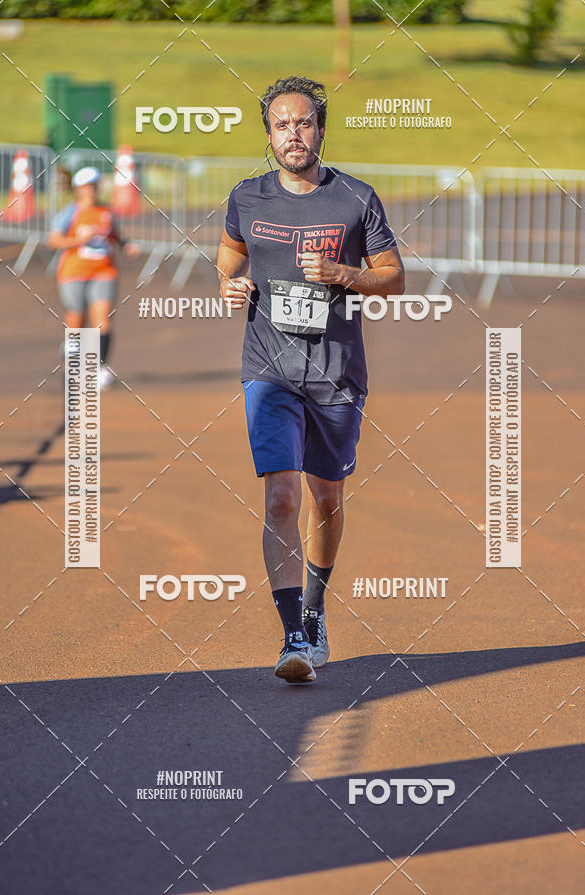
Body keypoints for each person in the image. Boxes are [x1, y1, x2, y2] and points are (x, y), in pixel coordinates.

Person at [217, 76, 405, 684]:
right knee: (281, 497)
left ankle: (317, 611)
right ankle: (293, 634)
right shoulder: (247, 198)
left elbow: (395, 278)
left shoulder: (355, 198)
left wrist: (342, 273)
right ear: (268, 134)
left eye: (303, 124)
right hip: (269, 368)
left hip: (336, 372)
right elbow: (229, 255)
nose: (292, 135)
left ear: (320, 130)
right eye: (281, 125)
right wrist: (231, 282)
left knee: (326, 498)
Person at [49, 166, 139, 388]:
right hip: (74, 272)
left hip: (103, 271)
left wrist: (126, 245)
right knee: (76, 320)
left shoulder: (106, 212)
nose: (91, 190)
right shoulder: (69, 213)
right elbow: (54, 241)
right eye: (87, 186)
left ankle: (100, 368)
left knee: (103, 319)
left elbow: (115, 234)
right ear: (78, 189)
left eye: (94, 186)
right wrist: (80, 240)